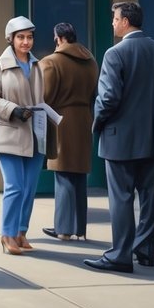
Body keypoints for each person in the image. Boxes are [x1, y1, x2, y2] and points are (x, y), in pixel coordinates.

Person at [83, 1, 154, 274]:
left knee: (122, 198)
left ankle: (120, 255)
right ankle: (146, 251)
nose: (113, 23)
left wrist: (98, 123)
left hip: (119, 139)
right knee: (149, 196)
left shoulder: (115, 54)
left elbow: (108, 98)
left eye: (115, 19)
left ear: (126, 21)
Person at [0, 16, 51, 256]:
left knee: (30, 187)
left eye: (29, 37)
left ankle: (21, 232)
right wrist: (13, 110)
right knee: (15, 186)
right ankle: (7, 234)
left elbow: (39, 98)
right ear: (10, 39)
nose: (26, 42)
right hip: (8, 135)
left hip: (34, 135)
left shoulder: (37, 65)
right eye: (20, 37)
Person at [39, 22, 98, 242]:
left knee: (63, 176)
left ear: (58, 38)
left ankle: (63, 229)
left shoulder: (52, 62)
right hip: (84, 120)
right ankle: (80, 228)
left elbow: (45, 97)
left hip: (61, 121)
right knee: (79, 176)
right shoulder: (91, 61)